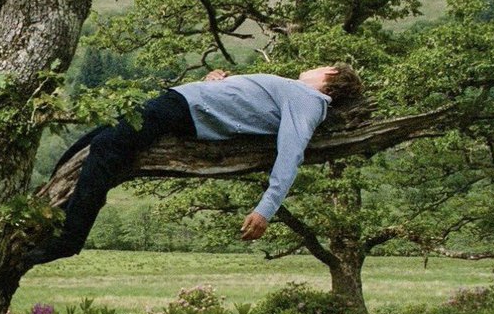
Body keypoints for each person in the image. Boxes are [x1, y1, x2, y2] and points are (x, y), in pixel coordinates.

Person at [25, 64, 364, 266]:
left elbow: (292, 152)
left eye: (322, 66)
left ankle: (70, 238)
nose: (314, 67)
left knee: (104, 148)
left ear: (330, 76)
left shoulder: (310, 100)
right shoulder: (297, 95)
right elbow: (245, 107)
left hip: (180, 108)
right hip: (186, 103)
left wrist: (266, 208)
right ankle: (44, 215)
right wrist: (217, 83)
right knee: (86, 146)